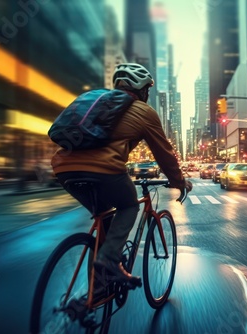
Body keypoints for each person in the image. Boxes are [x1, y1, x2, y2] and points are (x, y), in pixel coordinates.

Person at [51, 63, 192, 284]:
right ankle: (108, 261)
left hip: (63, 169)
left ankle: (95, 291)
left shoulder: (95, 101)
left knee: (105, 219)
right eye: (147, 90)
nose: (147, 94)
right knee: (128, 206)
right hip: (104, 169)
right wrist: (179, 181)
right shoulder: (144, 111)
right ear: (141, 89)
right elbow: (164, 154)